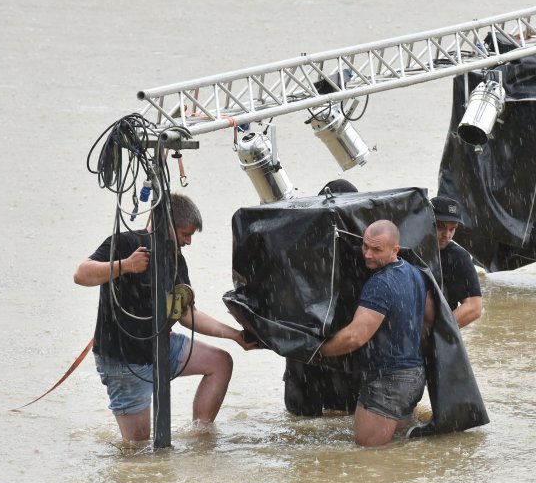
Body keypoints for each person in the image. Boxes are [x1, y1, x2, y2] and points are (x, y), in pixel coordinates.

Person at [74, 193, 255, 442]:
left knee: (220, 362)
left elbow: (188, 316)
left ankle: (200, 440)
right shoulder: (125, 243)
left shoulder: (177, 260)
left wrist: (235, 336)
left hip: (161, 347)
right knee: (138, 445)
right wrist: (125, 265)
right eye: (185, 234)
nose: (188, 242)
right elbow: (81, 275)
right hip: (124, 359)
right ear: (166, 223)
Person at [317, 220, 431, 447]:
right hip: (414, 376)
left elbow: (356, 336)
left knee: (367, 457)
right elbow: (429, 319)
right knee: (397, 449)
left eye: (376, 249)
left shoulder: (380, 283)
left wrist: (317, 351)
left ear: (395, 250)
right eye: (365, 246)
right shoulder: (415, 273)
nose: (367, 255)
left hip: (387, 381)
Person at [283, 179, 361, 417]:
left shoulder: (294, 246)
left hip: (314, 353)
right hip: (319, 357)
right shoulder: (366, 252)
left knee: (308, 432)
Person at [430, 196, 483, 328]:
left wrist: (436, 333)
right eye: (440, 227)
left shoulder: (458, 257)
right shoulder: (409, 249)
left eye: (452, 229)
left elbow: (474, 307)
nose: (447, 235)